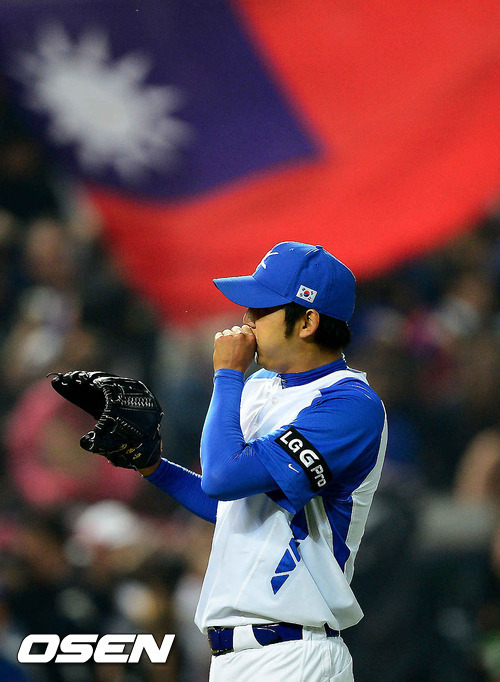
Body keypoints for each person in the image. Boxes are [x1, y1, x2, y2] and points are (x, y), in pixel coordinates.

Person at [137, 241, 388, 681]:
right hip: (235, 657)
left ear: (307, 321)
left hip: (295, 653)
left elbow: (222, 476)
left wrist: (227, 374)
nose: (247, 320)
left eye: (261, 308)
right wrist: (153, 466)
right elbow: (234, 506)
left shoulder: (350, 405)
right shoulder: (259, 386)